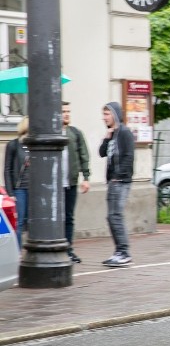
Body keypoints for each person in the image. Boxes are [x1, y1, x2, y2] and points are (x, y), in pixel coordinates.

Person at [99, 102, 134, 267]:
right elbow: (101, 153)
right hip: (113, 181)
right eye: (103, 114)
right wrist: (107, 138)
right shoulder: (113, 134)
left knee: (115, 216)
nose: (104, 117)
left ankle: (123, 252)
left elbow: (129, 156)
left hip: (120, 181)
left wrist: (118, 177)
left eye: (107, 114)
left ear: (115, 114)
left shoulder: (125, 133)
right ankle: (120, 251)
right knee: (112, 216)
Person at [62, 101, 90, 264]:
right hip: (55, 185)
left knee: (69, 217)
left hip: (71, 182)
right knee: (57, 217)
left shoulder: (75, 133)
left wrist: (86, 178)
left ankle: (69, 249)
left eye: (68, 111)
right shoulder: (51, 133)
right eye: (63, 111)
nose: (66, 114)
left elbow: (84, 156)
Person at [4, 116, 29, 246]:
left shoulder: (36, 145)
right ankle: (17, 251)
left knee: (33, 222)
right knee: (18, 222)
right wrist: (10, 193)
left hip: (34, 189)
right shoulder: (13, 145)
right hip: (19, 190)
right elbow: (7, 169)